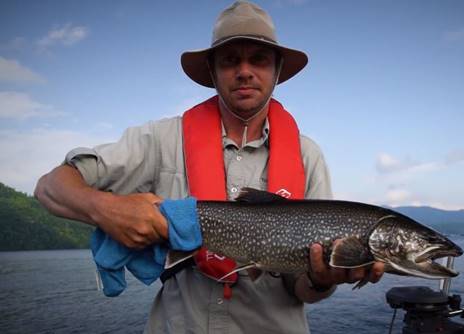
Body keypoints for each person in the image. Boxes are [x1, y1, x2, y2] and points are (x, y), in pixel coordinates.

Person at [35, 1, 384, 333]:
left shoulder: (308, 156)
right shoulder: (160, 139)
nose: (244, 71)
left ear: (276, 71)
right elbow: (50, 187)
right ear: (213, 72)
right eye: (231, 60)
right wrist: (107, 210)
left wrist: (322, 279)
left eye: (259, 60)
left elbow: (305, 291)